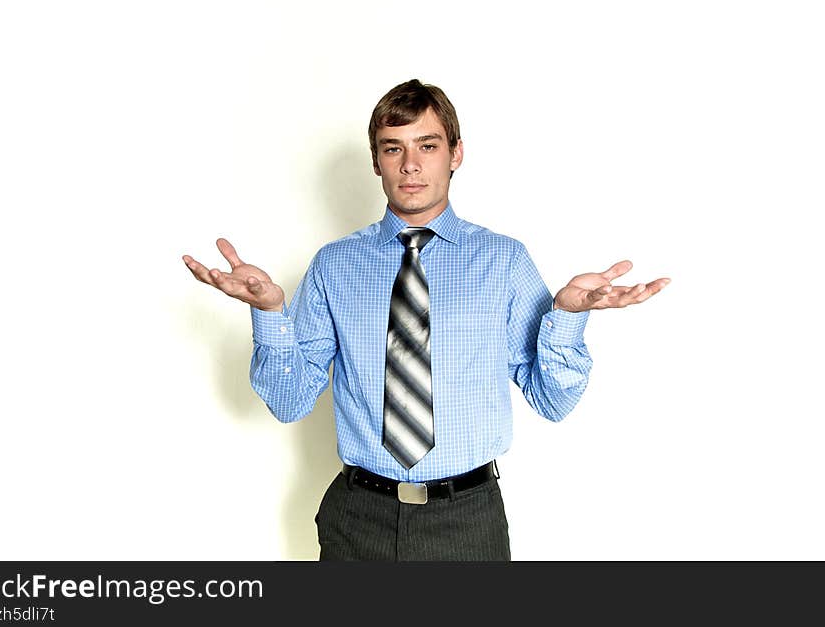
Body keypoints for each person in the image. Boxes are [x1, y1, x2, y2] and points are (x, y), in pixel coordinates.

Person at [182, 79, 671, 561]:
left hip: (467, 522)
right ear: (376, 161)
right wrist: (269, 313)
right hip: (358, 521)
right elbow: (289, 402)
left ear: (456, 153)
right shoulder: (334, 266)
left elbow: (553, 400)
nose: (410, 164)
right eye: (393, 148)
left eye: (428, 145)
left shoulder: (503, 262)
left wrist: (565, 317)